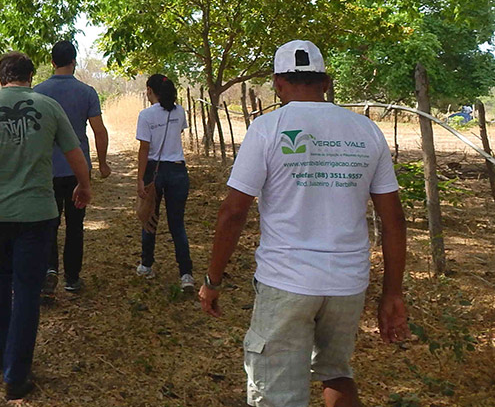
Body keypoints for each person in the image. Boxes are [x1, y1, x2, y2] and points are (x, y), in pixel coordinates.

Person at [199, 40, 409, 407]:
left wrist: (212, 281)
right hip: (348, 282)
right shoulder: (367, 131)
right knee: (337, 371)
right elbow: (393, 221)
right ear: (325, 82)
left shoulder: (267, 129)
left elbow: (233, 212)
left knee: (277, 393)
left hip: (287, 281)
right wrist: (392, 292)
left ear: (278, 84)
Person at [0, 52, 93, 401]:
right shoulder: (48, 107)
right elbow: (75, 153)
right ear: (30, 76)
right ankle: (16, 375)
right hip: (37, 212)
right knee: (28, 289)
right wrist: (84, 185)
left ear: (1, 76)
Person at [32, 40, 111, 295]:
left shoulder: (38, 93)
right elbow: (99, 130)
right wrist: (102, 163)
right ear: (74, 61)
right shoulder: (87, 92)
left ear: (52, 62)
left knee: (47, 222)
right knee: (76, 225)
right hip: (79, 171)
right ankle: (72, 278)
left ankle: (48, 271)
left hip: (47, 169)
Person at [135, 73, 195, 291]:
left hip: (155, 170)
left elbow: (144, 149)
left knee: (149, 217)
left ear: (150, 91)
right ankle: (186, 274)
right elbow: (177, 132)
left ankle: (146, 264)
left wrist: (140, 178)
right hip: (178, 170)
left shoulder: (146, 115)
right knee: (177, 224)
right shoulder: (180, 111)